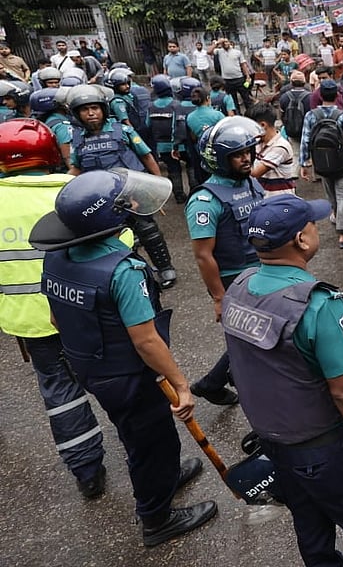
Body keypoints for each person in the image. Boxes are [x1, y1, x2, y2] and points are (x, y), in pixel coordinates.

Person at [30, 169, 217, 548]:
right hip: (131, 376)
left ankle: (162, 478)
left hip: (92, 368)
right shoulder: (123, 271)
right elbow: (146, 341)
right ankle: (157, 517)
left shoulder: (56, 258)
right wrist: (181, 384)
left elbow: (55, 319)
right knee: (153, 441)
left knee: (134, 434)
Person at [223, 194, 343, 565]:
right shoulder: (319, 304)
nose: (317, 230)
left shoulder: (240, 285)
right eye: (312, 225)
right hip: (327, 448)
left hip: (276, 445)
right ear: (301, 240)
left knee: (311, 527)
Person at [0, 120, 109, 498]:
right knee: (120, 383)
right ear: (49, 153)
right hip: (87, 312)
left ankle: (87, 472)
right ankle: (153, 465)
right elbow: (119, 244)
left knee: (60, 392)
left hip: (29, 322)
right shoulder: (73, 191)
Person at [186, 115, 267, 406]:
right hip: (234, 280)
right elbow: (203, 255)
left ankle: (212, 382)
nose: (246, 159)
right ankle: (216, 384)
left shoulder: (251, 183)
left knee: (254, 336)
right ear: (220, 159)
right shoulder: (205, 201)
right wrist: (219, 298)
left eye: (248, 152)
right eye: (237, 155)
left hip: (261, 272)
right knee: (250, 339)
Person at [66, 84, 178, 288]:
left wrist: (158, 187)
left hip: (131, 192)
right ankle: (132, 273)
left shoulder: (123, 130)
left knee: (148, 230)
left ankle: (165, 267)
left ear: (103, 109)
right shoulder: (77, 139)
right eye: (85, 109)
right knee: (114, 238)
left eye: (95, 108)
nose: (91, 113)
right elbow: (75, 169)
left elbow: (146, 156)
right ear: (77, 113)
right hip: (101, 199)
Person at [300, 80, 343, 249]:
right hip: (342, 161)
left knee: (330, 192)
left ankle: (336, 215)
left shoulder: (311, 115)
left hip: (321, 162)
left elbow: (305, 140)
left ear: (321, 95)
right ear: (337, 95)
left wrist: (304, 163)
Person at [247, 102, 296, 196]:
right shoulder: (258, 142)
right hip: (264, 198)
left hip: (280, 201)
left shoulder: (280, 147)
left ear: (262, 125)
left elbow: (255, 172)